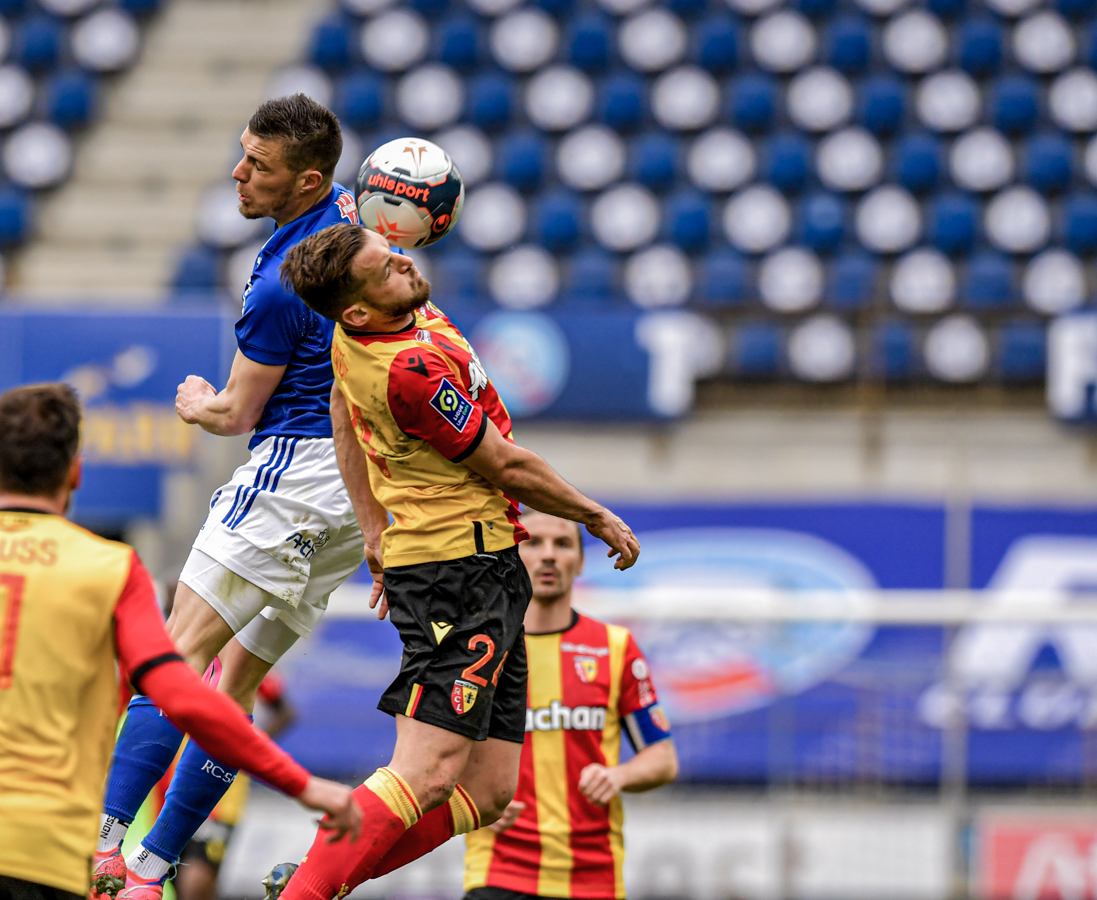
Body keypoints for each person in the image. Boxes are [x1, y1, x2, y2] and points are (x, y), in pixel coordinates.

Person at [0, 383, 360, 900]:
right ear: (76, 473)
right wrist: (303, 785)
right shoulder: (108, 569)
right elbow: (183, 697)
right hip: (37, 855)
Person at [264, 223, 642, 900]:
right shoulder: (408, 371)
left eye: (393, 254)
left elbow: (340, 412)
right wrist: (593, 513)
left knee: (490, 790)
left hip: (488, 568)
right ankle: (309, 892)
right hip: (453, 576)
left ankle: (323, 876)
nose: (404, 264)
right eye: (385, 268)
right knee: (429, 773)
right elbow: (505, 463)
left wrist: (374, 530)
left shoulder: (378, 322)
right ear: (356, 309)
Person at [95, 92, 367, 900]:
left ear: (309, 179)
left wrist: (193, 401)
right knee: (235, 685)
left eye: (260, 166)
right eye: (242, 153)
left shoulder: (287, 280)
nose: (239, 174)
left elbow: (236, 413)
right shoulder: (353, 216)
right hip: (354, 492)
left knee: (174, 657)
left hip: (294, 470)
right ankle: (154, 867)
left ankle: (102, 846)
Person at [463, 510, 678, 900]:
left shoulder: (614, 648)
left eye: (562, 544)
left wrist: (619, 776)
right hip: (498, 872)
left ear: (579, 562)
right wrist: (470, 797)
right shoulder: (478, 651)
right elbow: (432, 753)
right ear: (513, 556)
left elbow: (663, 759)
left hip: (593, 876)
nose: (548, 555)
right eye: (534, 542)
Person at [174, 670, 297, 900]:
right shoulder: (179, 653)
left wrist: (244, 749)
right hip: (168, 788)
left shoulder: (239, 658)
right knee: (171, 878)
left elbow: (284, 712)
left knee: (196, 880)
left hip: (218, 793)